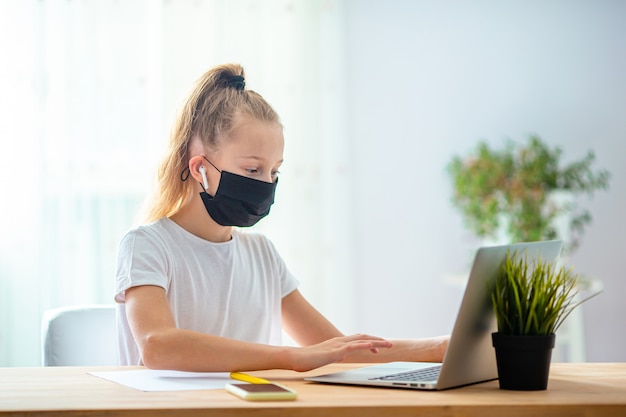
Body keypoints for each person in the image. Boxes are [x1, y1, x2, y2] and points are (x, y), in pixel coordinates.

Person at [114, 63, 448, 372]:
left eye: (274, 171)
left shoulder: (262, 255)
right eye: (252, 169)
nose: (265, 184)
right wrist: (289, 357)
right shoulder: (146, 245)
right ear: (200, 168)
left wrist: (440, 348)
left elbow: (340, 350)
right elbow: (158, 346)